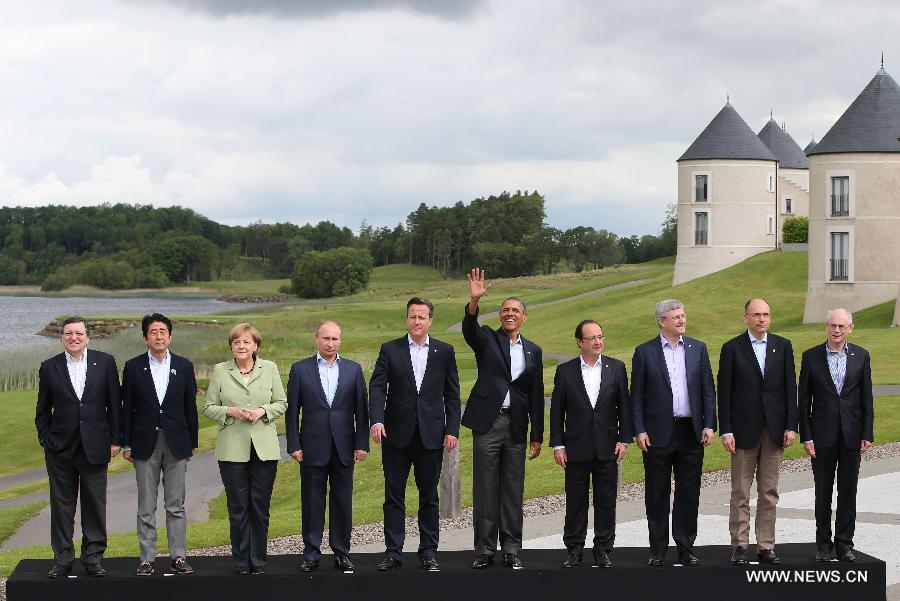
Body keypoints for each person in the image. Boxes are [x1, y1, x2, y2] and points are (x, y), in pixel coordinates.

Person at [369, 298, 461, 572]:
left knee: (429, 496)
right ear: (407, 319)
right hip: (396, 435)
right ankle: (393, 553)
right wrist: (376, 420)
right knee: (394, 496)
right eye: (412, 316)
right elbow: (377, 387)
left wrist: (452, 429)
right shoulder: (390, 349)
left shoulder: (444, 351)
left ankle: (429, 551)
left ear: (430, 321)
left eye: (422, 317)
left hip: (431, 435)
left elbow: (452, 395)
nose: (417, 321)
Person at [462, 268, 543, 570]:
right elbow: (470, 329)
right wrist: (473, 303)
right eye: (505, 310)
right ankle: (484, 550)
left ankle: (511, 548)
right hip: (488, 423)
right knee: (485, 489)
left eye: (515, 310)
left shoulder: (533, 351)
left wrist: (537, 434)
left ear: (524, 317)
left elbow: (535, 395)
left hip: (517, 428)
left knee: (512, 488)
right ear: (499, 316)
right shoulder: (486, 340)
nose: (509, 314)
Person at [35, 316, 122, 578]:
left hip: (96, 446)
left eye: (79, 333)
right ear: (62, 337)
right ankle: (62, 559)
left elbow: (114, 405)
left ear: (87, 337)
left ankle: (93, 557)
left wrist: (116, 439)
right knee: (62, 507)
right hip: (60, 449)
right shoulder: (49, 367)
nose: (74, 337)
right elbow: (42, 410)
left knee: (95, 504)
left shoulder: (104, 362)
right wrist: (46, 439)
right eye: (69, 333)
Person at [631, 299, 715, 567]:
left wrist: (709, 423)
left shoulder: (698, 349)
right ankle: (657, 550)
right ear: (662, 322)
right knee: (657, 493)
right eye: (676, 317)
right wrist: (639, 429)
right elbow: (637, 397)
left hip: (690, 432)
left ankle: (686, 547)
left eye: (683, 315)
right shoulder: (645, 352)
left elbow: (707, 391)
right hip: (657, 434)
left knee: (689, 492)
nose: (682, 320)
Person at [203, 323, 287, 575]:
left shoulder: (270, 368)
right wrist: (230, 411)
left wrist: (263, 411)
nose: (241, 346)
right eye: (237, 342)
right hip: (232, 449)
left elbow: (281, 402)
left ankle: (258, 561)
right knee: (238, 507)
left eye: (246, 342)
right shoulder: (220, 370)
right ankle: (241, 562)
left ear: (255, 346)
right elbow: (208, 407)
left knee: (259, 507)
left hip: (264, 449)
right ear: (231, 346)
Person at [717, 298, 797, 566]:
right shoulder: (732, 349)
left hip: (774, 429)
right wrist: (726, 430)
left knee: (769, 491)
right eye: (757, 314)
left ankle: (766, 545)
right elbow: (724, 394)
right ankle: (740, 546)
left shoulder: (782, 346)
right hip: (742, 430)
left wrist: (790, 425)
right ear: (746, 318)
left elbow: (790, 389)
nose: (762, 319)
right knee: (740, 490)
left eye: (766, 314)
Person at [286, 321, 369, 573]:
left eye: (334, 339)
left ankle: (342, 552)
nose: (330, 343)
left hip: (344, 446)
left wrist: (361, 444)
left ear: (340, 341)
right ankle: (311, 553)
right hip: (311, 446)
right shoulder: (300, 370)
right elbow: (292, 412)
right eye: (325, 338)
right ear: (316, 339)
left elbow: (361, 412)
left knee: (342, 501)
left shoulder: (354, 370)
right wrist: (294, 444)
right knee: (312, 501)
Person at [122, 313, 199, 576]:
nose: (158, 335)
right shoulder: (133, 367)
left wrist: (192, 443)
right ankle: (147, 559)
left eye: (163, 331)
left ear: (170, 336)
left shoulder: (184, 365)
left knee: (175, 504)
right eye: (153, 332)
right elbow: (127, 409)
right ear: (145, 338)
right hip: (144, 444)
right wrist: (126, 444)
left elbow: (190, 407)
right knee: (146, 505)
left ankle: (178, 556)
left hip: (177, 443)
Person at [550, 320, 629, 569]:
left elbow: (624, 407)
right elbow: (556, 412)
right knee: (576, 502)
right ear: (580, 342)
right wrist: (558, 445)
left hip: (607, 446)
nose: (598, 342)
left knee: (606, 501)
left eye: (600, 337)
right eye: (592, 338)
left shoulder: (616, 368)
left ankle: (603, 549)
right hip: (576, 448)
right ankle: (574, 549)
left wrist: (624, 439)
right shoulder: (565, 371)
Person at [799, 308, 873, 563]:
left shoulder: (862, 356)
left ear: (850, 328)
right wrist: (806, 436)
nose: (837, 330)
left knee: (848, 491)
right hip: (821, 436)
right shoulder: (810, 357)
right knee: (823, 492)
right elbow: (803, 402)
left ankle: (844, 544)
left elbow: (866, 399)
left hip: (852, 435)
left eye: (842, 326)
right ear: (826, 326)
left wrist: (867, 432)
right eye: (833, 325)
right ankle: (823, 545)